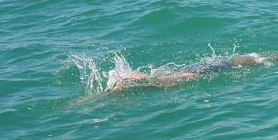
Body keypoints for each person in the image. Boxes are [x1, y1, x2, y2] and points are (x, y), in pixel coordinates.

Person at [110, 53, 260, 89]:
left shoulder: (226, 59)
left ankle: (141, 77)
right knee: (177, 79)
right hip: (199, 70)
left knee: (177, 75)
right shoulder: (231, 65)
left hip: (195, 66)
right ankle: (142, 79)